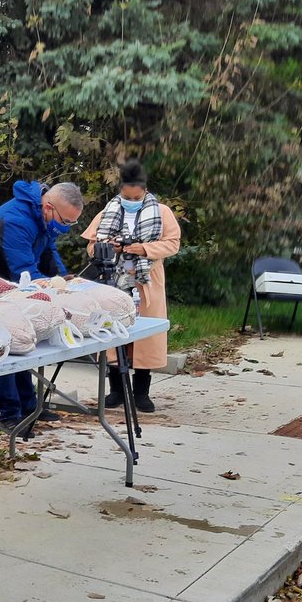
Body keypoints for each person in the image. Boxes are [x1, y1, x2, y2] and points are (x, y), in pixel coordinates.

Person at [0, 180, 85, 434]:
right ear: (48, 207)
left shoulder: (43, 217)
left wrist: (65, 281)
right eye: (65, 222)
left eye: (71, 224)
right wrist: (52, 291)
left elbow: (49, 253)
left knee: (23, 343)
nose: (66, 228)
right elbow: (24, 273)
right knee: (5, 344)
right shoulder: (16, 220)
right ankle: (10, 414)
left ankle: (30, 407)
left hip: (9, 283)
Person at [81, 159, 182, 412]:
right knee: (113, 335)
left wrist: (144, 248)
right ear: (121, 190)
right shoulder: (108, 211)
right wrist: (108, 248)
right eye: (127, 196)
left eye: (136, 197)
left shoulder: (162, 211)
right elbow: (91, 246)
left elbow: (172, 244)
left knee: (145, 336)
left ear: (144, 190)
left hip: (146, 281)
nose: (131, 200)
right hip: (114, 281)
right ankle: (116, 391)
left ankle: (141, 393)